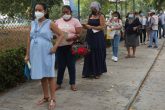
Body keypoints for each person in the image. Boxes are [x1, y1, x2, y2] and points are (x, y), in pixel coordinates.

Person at [24, 3, 63, 110]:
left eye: (40, 10)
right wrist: (27, 54)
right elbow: (29, 39)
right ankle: (46, 97)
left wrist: (55, 46)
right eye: (36, 10)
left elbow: (62, 34)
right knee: (42, 75)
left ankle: (53, 99)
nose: (37, 12)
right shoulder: (32, 23)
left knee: (49, 75)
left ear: (45, 11)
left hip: (47, 52)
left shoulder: (50, 23)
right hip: (35, 53)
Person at [55, 5, 82, 91]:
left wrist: (73, 37)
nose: (65, 13)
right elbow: (54, 33)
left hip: (71, 45)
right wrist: (57, 36)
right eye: (63, 12)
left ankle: (72, 84)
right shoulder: (57, 22)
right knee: (61, 65)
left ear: (71, 12)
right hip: (60, 46)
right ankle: (58, 83)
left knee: (71, 65)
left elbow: (79, 34)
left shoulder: (75, 21)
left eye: (67, 12)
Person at [82, 1, 107, 79]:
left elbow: (102, 27)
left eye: (94, 8)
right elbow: (88, 24)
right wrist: (85, 26)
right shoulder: (90, 15)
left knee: (97, 53)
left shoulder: (101, 16)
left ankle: (97, 72)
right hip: (90, 36)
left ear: (97, 8)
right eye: (92, 8)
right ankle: (87, 71)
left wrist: (91, 27)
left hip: (98, 37)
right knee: (88, 52)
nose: (93, 10)